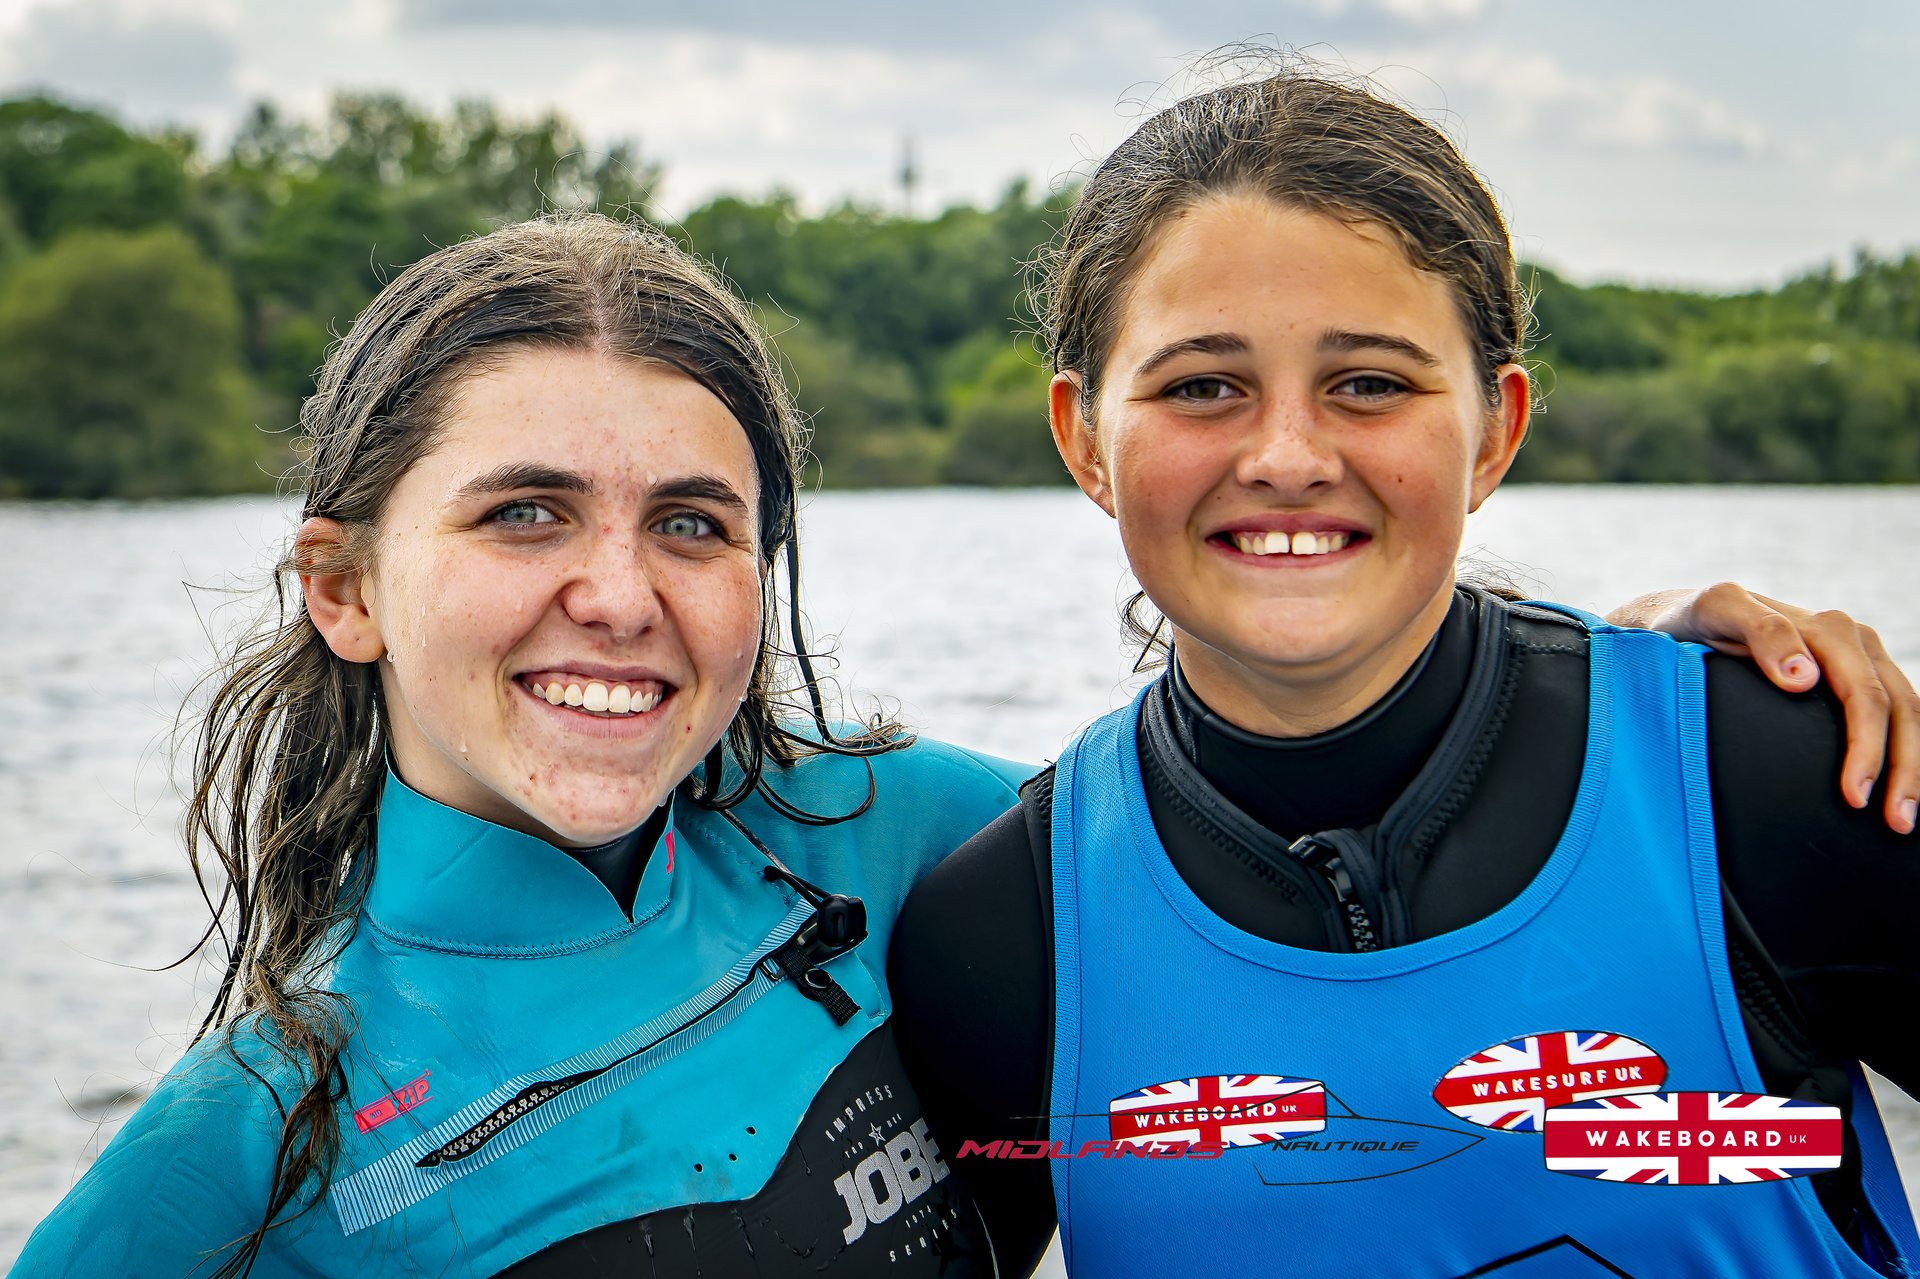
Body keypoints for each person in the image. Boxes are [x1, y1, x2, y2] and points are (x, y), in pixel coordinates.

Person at [7, 210, 1910, 1278]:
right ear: (342, 583)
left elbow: (1281, 827)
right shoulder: (253, 1127)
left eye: (691, 522)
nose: (617, 591)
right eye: (519, 514)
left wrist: (1640, 693)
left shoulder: (885, 839)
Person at [889, 68, 1920, 1278]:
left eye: (1370, 382)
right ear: (1083, 439)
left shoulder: (1782, 777)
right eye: (1201, 386)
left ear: (1494, 428)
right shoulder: (1006, 935)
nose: (1285, 455)